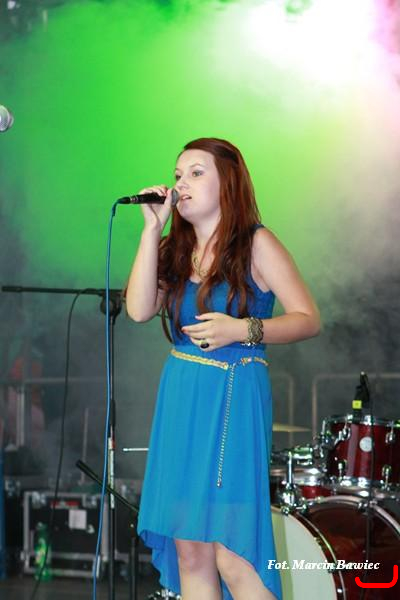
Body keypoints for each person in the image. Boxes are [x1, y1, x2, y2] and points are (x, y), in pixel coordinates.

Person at [125, 137, 321, 600]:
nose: (182, 184)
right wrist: (150, 231)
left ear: (227, 183)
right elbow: (138, 309)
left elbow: (308, 318)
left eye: (196, 173)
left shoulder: (257, 243)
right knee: (190, 551)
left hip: (234, 395)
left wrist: (241, 329)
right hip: (182, 394)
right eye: (178, 175)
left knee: (233, 554)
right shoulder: (174, 248)